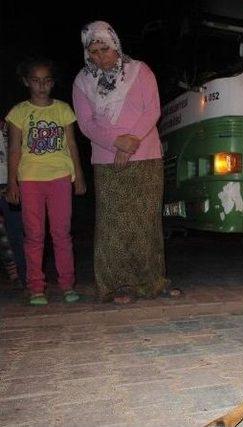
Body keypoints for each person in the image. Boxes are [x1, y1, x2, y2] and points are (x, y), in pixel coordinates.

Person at [72, 21, 177, 304]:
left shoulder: (140, 71)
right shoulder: (82, 81)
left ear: (115, 45)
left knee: (146, 221)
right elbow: (86, 123)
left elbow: (152, 110)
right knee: (113, 224)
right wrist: (117, 143)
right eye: (93, 51)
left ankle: (152, 281)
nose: (99, 56)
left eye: (104, 49)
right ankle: (117, 286)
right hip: (107, 161)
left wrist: (130, 143)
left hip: (146, 154)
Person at [5, 58, 86, 305]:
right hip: (30, 179)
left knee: (61, 234)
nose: (41, 86)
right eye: (36, 81)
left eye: (46, 81)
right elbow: (15, 149)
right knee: (34, 235)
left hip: (60, 177)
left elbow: (72, 144)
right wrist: (12, 182)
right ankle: (36, 287)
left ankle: (67, 284)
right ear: (26, 82)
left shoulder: (63, 109)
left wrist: (79, 176)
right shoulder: (18, 112)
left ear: (53, 83)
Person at [0, 118, 26, 289]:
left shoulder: (9, 125)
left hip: (9, 184)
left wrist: (14, 182)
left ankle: (25, 278)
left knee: (16, 232)